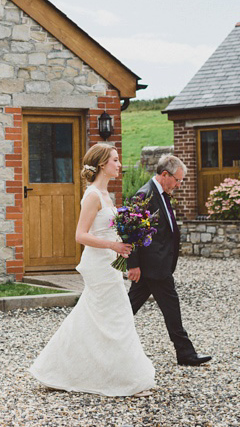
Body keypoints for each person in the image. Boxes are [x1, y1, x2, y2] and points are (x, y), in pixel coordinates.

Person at [29, 143, 155, 397]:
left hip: (110, 262)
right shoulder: (92, 196)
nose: (119, 165)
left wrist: (127, 239)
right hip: (99, 265)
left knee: (97, 318)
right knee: (116, 317)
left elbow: (108, 229)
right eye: (115, 160)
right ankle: (124, 379)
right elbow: (80, 235)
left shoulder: (107, 195)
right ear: (102, 165)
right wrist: (114, 245)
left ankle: (60, 369)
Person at [126, 154, 212, 366]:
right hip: (153, 265)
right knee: (171, 306)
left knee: (128, 308)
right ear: (165, 174)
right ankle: (185, 353)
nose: (179, 184)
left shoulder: (162, 192)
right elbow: (132, 231)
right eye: (178, 180)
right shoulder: (144, 195)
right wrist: (133, 264)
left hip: (157, 265)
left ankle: (103, 338)